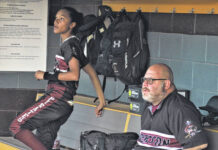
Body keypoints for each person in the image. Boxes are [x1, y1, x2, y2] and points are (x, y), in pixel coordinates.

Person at [9, 7, 106, 150]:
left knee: (16, 126)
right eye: (56, 18)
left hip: (57, 98)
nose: (56, 21)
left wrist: (46, 75)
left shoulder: (69, 45)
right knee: (43, 143)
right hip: (65, 104)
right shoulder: (74, 44)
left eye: (62, 19)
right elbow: (91, 72)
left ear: (72, 25)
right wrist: (102, 101)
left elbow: (74, 75)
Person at [134, 63, 208, 150]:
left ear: (166, 84)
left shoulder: (180, 109)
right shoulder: (149, 105)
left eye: (150, 80)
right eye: (144, 80)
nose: (144, 84)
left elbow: (198, 145)